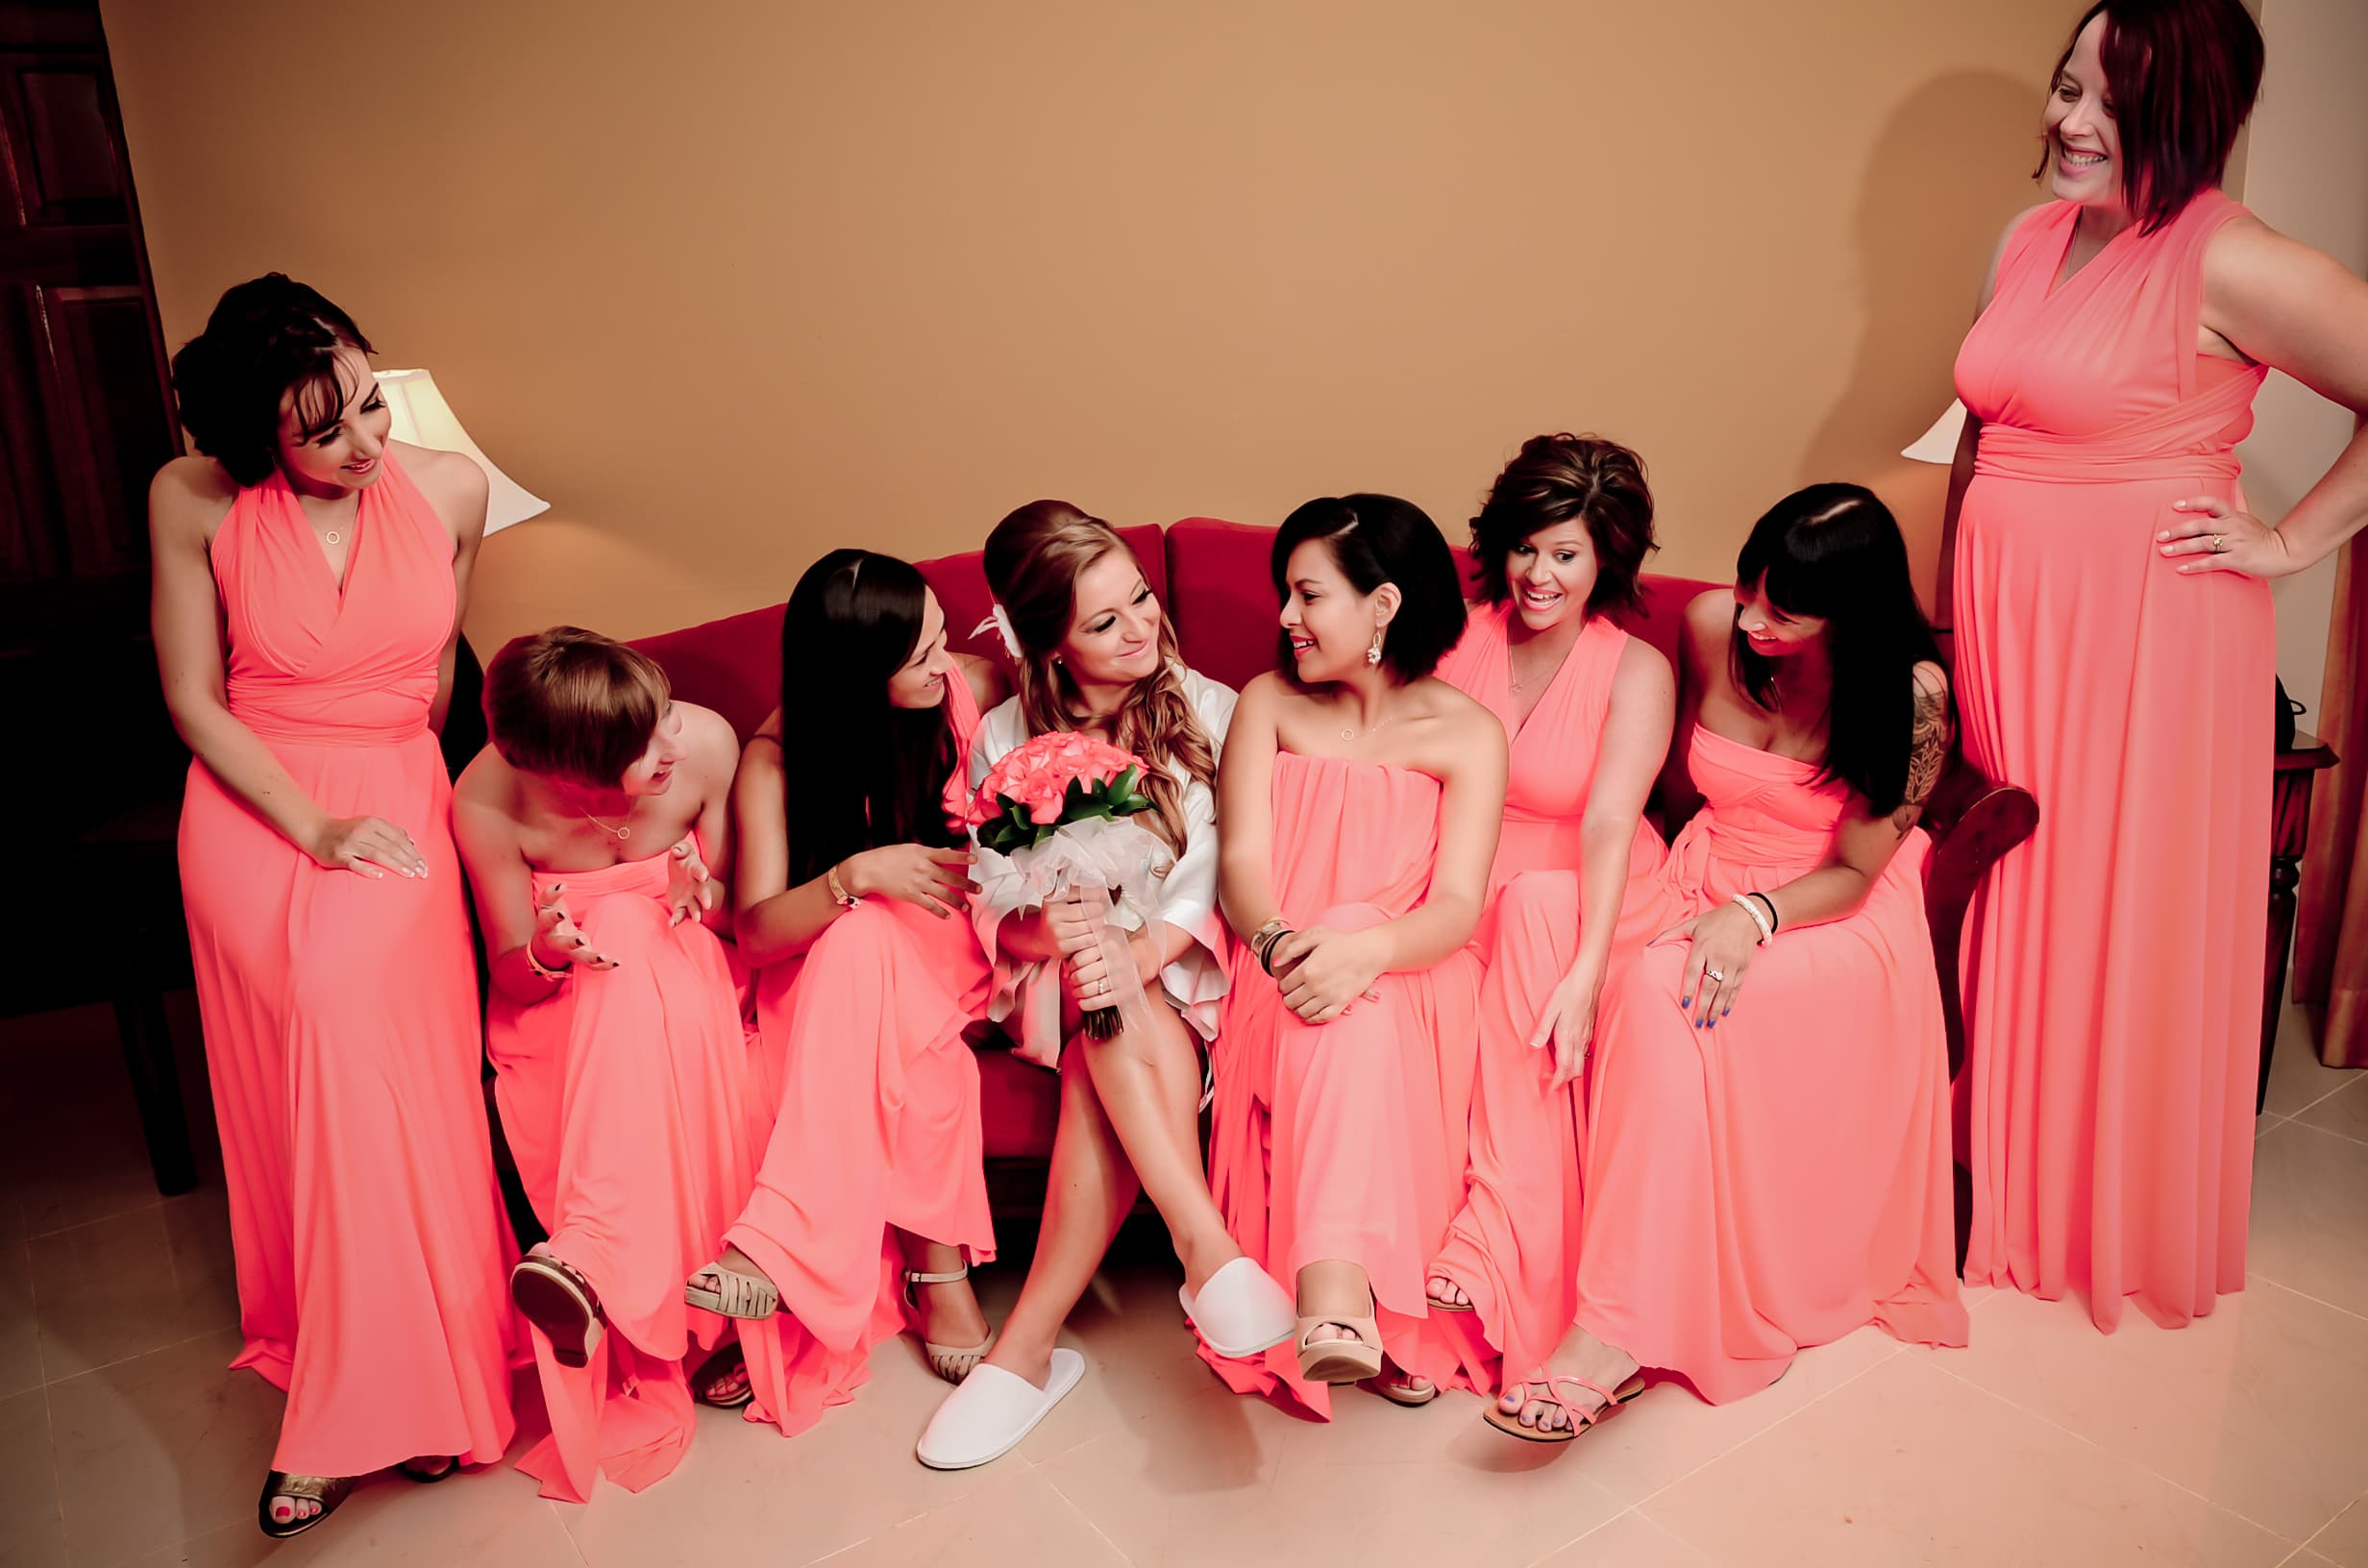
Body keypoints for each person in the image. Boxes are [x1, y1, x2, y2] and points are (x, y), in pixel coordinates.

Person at [1945, 0, 2368, 1330]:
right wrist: (1948, 605)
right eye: (2067, 87)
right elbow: (1979, 429)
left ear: (2190, 117)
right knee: (2023, 886)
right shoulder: (2027, 238)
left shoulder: (2236, 262)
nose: (2071, 122)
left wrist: (2294, 539)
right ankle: (2007, 1173)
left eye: (2111, 106)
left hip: (2151, 636)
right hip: (2016, 628)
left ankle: (2108, 1205)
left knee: (2118, 898)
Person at [150, 274, 515, 1537]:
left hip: (393, 795)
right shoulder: (191, 499)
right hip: (256, 805)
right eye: (325, 431)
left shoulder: (452, 488)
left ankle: (401, 1380)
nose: (366, 444)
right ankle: (354, 1377)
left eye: (369, 402)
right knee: (306, 1077)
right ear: (260, 441)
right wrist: (309, 823)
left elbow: (434, 678)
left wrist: (400, 799)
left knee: (369, 1052)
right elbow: (195, 698)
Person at [1491, 484, 1967, 1444]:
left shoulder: (1909, 693)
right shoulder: (1712, 624)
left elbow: (1856, 871)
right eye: (1750, 586)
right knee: (1540, 908)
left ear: (1853, 611)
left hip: (1824, 918)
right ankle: (1514, 1233)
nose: (1751, 618)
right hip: (1699, 869)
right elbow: (1664, 778)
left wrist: (1751, 917)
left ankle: (1611, 1335)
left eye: (1781, 609)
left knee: (1663, 989)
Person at [916, 502, 1295, 1470]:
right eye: (1104, 623)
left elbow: (1213, 863)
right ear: (1047, 647)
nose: (1143, 630)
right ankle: (1204, 1251)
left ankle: (1026, 1350)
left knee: (1115, 1015)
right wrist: (1054, 929)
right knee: (1100, 1000)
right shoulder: (1003, 735)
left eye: (1140, 597)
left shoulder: (1211, 708)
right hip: (1051, 978)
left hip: (1184, 964)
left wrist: (1142, 952)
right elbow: (990, 893)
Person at [687, 550, 1009, 1438]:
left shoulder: (964, 692)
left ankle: (776, 1253)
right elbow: (756, 935)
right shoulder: (778, 759)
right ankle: (936, 1272)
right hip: (836, 968)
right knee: (872, 957)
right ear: (857, 679)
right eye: (919, 658)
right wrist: (855, 874)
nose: (944, 665)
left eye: (942, 640)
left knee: (871, 948)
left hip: (960, 946)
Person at [1203, 493, 1506, 1418]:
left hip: (1412, 973)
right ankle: (1354, 1294)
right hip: (1280, 970)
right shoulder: (1268, 703)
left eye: (1308, 595)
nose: (1286, 618)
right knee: (1330, 971)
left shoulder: (1468, 733)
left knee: (1355, 979)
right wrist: (1288, 945)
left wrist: (1363, 949)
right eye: (1284, 595)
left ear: (1383, 605)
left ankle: (1336, 1289)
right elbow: (1241, 869)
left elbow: (1456, 907)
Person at [453, 628, 751, 1502]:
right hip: (564, 1015)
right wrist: (544, 948)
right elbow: (511, 965)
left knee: (636, 945)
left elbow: (736, 901)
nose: (672, 746)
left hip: (688, 979)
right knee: (618, 956)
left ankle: (590, 1259)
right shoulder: (487, 799)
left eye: (662, 718)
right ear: (569, 768)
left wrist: (708, 893)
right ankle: (706, 1322)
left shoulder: (708, 746)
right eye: (640, 747)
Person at [1422, 435, 1674, 1398]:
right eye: (1526, 546)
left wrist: (1586, 966)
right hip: (1464, 875)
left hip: (1588, 888)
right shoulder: (1456, 629)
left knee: (1531, 921)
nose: (1539, 573)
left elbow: (1612, 820)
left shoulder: (1635, 668)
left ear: (1608, 556)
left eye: (1566, 554)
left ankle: (1493, 1245)